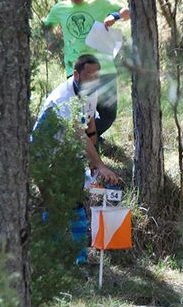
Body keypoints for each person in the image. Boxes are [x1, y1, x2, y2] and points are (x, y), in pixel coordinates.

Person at [33, 54, 119, 263]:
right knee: (55, 206)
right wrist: (100, 164)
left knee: (76, 204)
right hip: (44, 155)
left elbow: (89, 124)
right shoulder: (63, 98)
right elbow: (77, 134)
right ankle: (51, 259)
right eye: (89, 75)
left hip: (67, 152)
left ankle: (80, 259)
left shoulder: (90, 92)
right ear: (76, 74)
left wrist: (93, 162)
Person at [42, 0, 130, 140]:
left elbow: (127, 11)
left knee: (108, 115)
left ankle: (89, 138)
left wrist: (114, 16)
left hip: (104, 68)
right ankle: (84, 145)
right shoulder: (60, 9)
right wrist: (51, 40)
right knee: (82, 113)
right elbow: (46, 27)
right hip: (77, 70)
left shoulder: (98, 3)